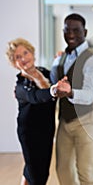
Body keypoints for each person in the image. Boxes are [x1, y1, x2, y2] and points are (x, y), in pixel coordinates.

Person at [50, 13, 93, 185]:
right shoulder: (60, 57)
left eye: (76, 30)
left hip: (88, 120)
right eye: (67, 30)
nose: (71, 34)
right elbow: (52, 83)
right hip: (65, 120)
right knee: (63, 169)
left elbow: (89, 95)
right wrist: (55, 90)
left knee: (86, 173)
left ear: (85, 32)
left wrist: (69, 92)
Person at [5, 38, 56, 185]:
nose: (23, 59)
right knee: (37, 175)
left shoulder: (44, 72)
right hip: (30, 134)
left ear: (32, 53)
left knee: (35, 169)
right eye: (18, 57)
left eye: (25, 53)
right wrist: (53, 91)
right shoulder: (21, 85)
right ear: (14, 63)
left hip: (47, 130)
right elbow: (36, 96)